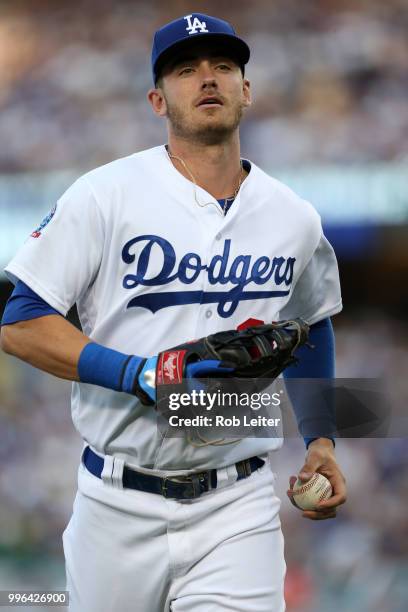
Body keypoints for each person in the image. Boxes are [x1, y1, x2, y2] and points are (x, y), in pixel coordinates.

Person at [0, 13, 346, 612]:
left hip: (237, 502)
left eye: (223, 67)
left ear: (247, 90)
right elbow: (19, 322)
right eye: (186, 70)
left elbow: (313, 323)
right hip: (114, 500)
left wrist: (324, 442)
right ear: (158, 99)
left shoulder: (294, 217)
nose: (207, 79)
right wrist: (139, 374)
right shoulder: (104, 194)